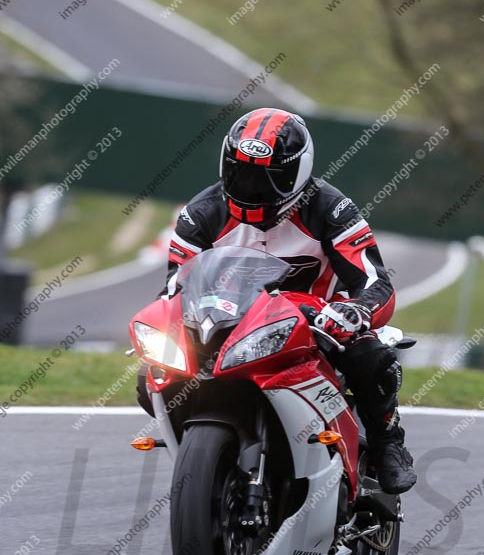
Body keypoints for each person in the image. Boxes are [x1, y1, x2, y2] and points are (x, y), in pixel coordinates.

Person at [138, 107, 416, 495]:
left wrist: (357, 311)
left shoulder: (332, 210)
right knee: (152, 373)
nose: (252, 187)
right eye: (242, 172)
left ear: (299, 173)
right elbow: (175, 287)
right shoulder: (199, 215)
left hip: (320, 325)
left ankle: (389, 444)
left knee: (370, 357)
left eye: (269, 177)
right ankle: (209, 464)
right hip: (234, 326)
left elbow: (375, 281)